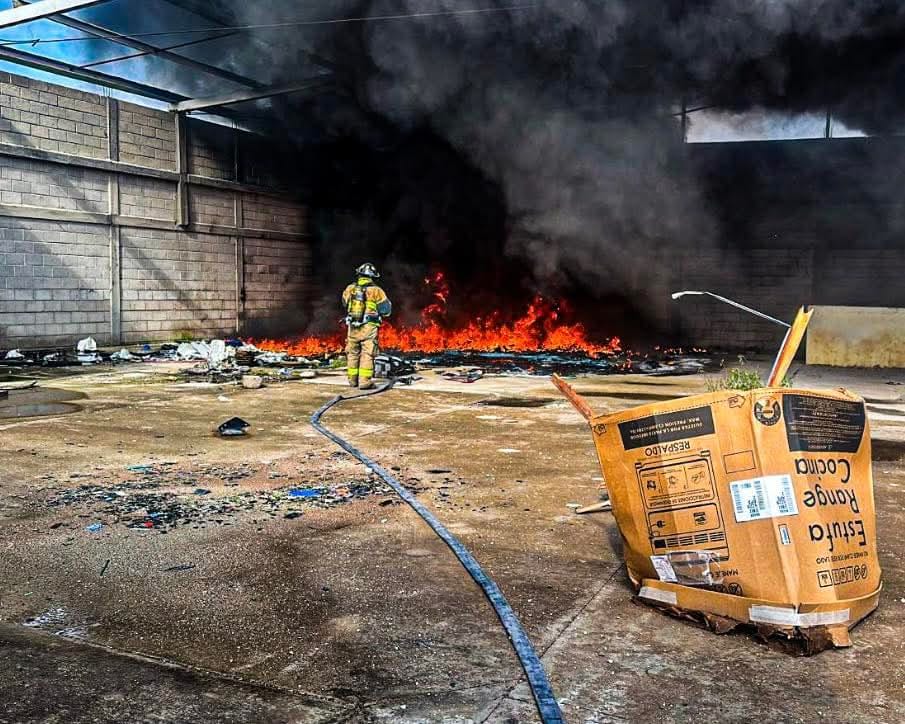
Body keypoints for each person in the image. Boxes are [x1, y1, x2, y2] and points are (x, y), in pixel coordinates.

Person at [342, 262, 392, 389]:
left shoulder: (350, 289)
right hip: (369, 327)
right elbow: (386, 310)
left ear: (359, 274)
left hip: (352, 326)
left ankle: (352, 381)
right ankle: (364, 382)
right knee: (367, 353)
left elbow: (344, 303)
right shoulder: (377, 291)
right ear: (372, 277)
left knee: (352, 353)